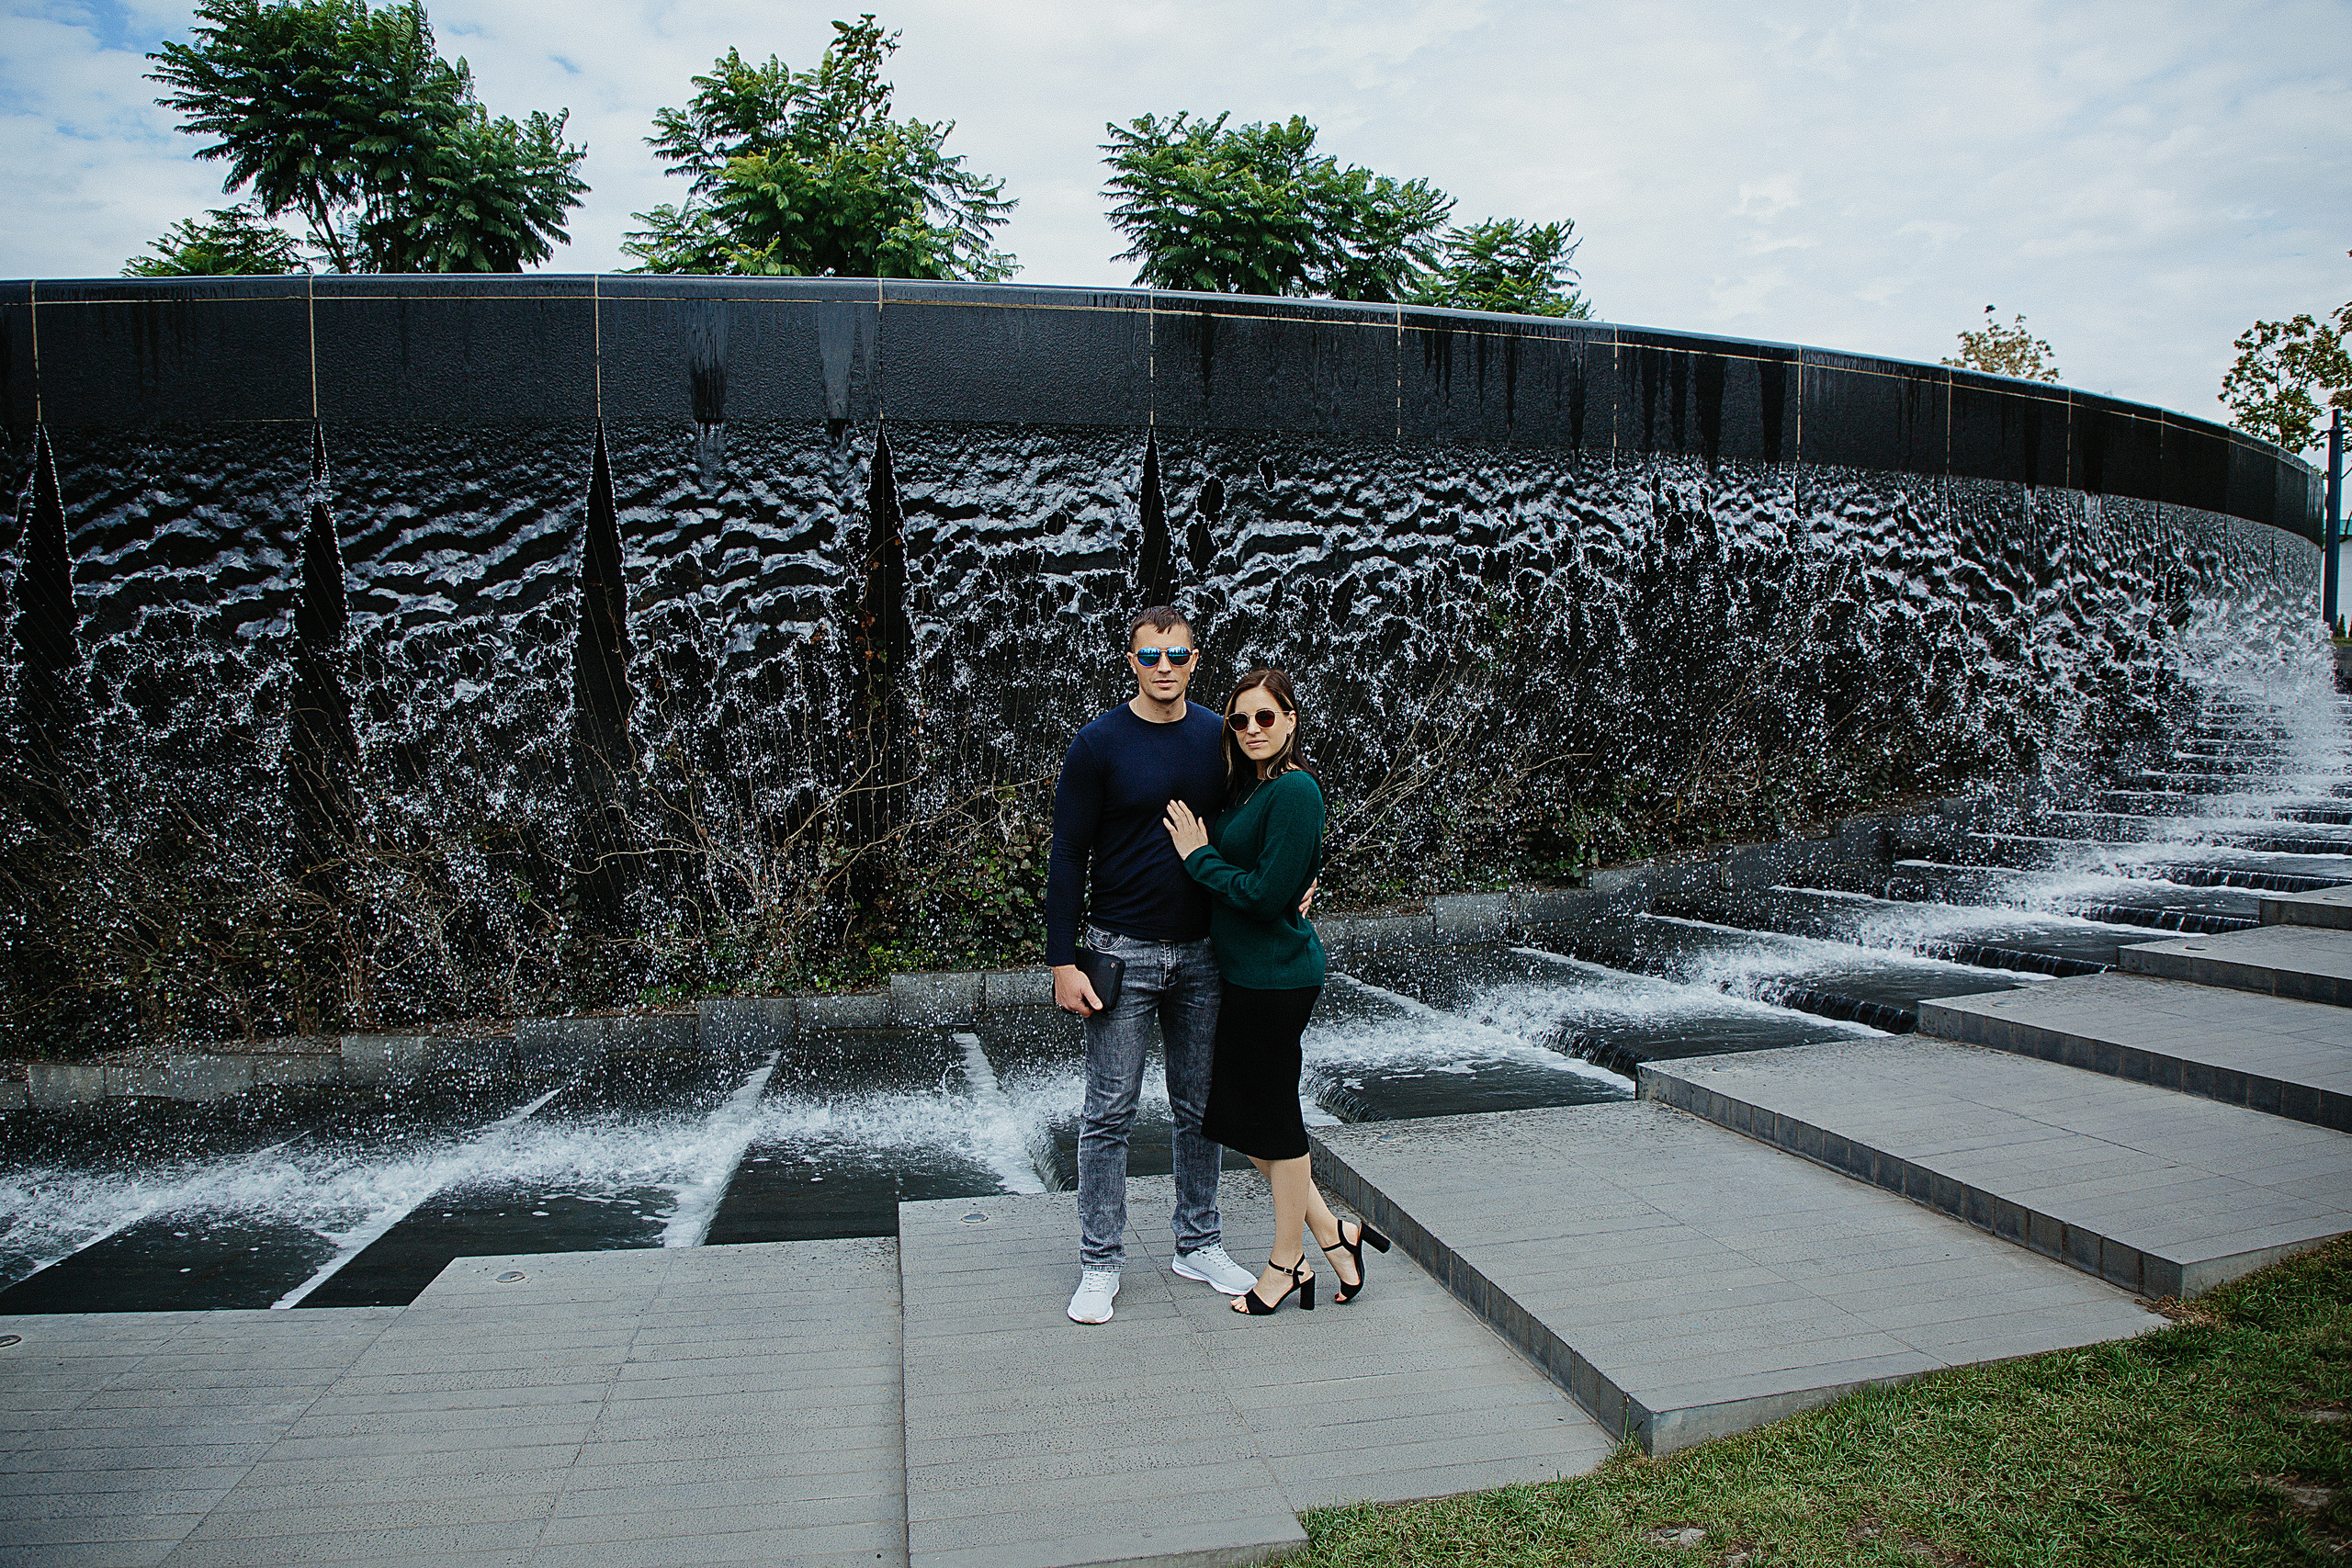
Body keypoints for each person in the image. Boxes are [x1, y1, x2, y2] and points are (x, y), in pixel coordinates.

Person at [1047, 606, 1261, 1324]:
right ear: (1131, 660)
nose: (1164, 666)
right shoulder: (1098, 744)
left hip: (1203, 952)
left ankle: (1197, 1241)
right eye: (1150, 656)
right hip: (1119, 952)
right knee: (1108, 1112)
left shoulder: (1218, 737)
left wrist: (1295, 876)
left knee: (1200, 1106)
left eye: (1176, 654)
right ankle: (1099, 1262)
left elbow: (1252, 824)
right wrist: (1061, 961)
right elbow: (1068, 854)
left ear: (1196, 660)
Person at [1162, 669, 1387, 1315]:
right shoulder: (1252, 787)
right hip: (1244, 977)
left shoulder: (1296, 790)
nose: (1253, 729)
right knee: (1249, 1123)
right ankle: (1333, 1232)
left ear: (1291, 719)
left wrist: (1198, 858)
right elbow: (1276, 879)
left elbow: (1263, 897)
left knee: (1277, 1126)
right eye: (1240, 720)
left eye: (1266, 717)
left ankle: (1285, 1264)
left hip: (1276, 980)